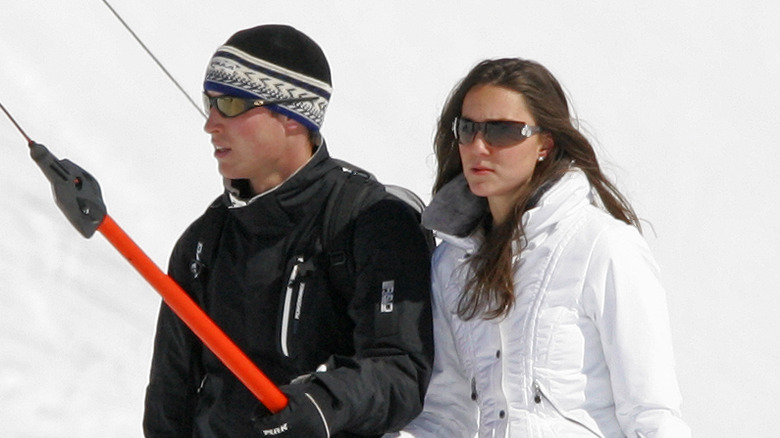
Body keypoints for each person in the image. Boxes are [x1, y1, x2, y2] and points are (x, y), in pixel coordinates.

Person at [143, 24, 434, 438]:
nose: (210, 123)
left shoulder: (372, 223)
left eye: (228, 103)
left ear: (292, 115)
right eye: (209, 101)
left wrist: (319, 404)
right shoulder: (204, 242)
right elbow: (170, 400)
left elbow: (399, 371)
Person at [390, 58, 690, 437]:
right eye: (468, 129)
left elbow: (652, 413)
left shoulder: (602, 245)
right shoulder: (451, 262)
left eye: (502, 131)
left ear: (545, 144)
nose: (479, 147)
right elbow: (445, 416)